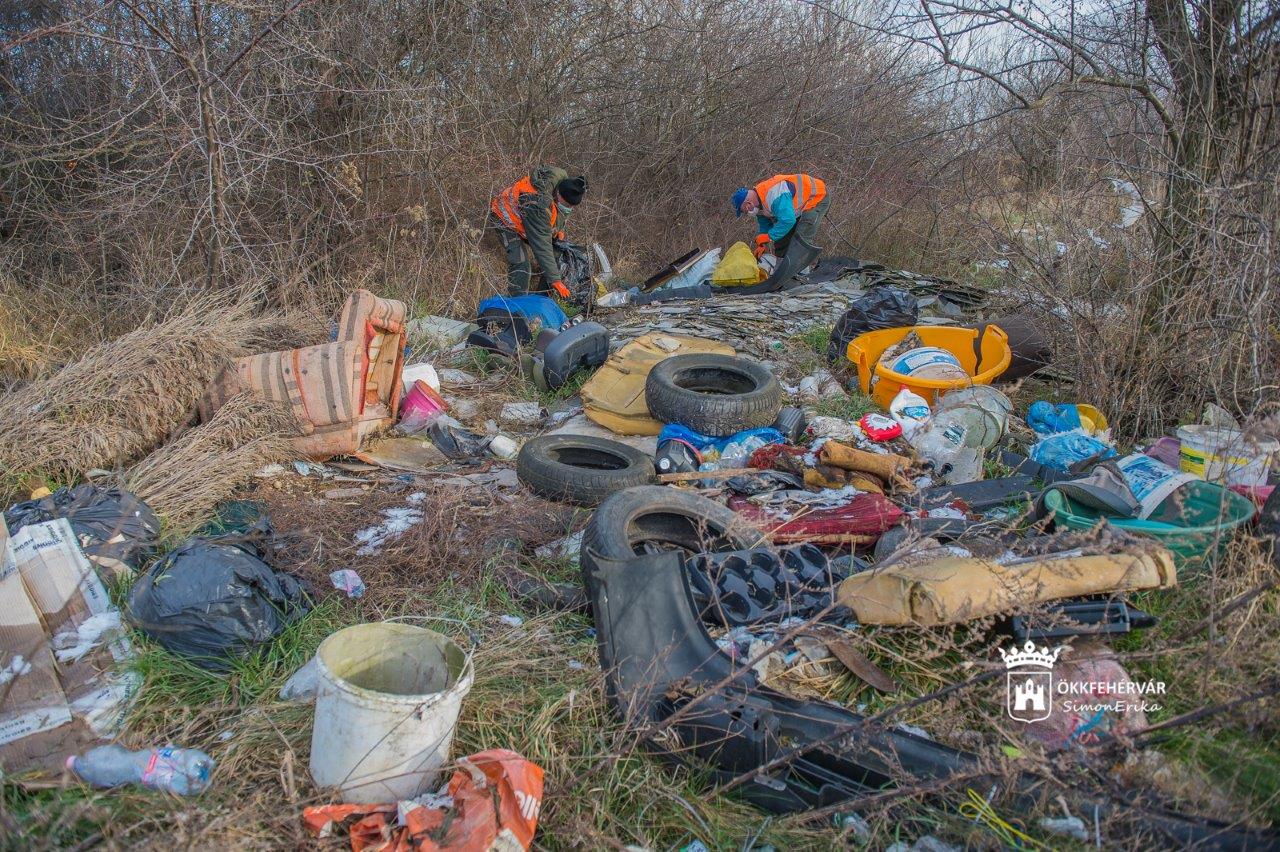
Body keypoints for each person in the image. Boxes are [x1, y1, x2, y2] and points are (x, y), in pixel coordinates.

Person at [488, 166, 587, 298]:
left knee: (558, 252)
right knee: (522, 264)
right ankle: (516, 305)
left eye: (571, 207)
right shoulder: (537, 205)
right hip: (505, 218)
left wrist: (560, 230)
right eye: (567, 205)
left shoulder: (563, 184)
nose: (569, 209)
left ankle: (541, 298)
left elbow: (559, 213)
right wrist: (555, 280)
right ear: (558, 195)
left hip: (527, 220)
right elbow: (541, 245)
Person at [732, 173, 828, 261]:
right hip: (795, 208)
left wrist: (769, 236)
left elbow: (788, 221)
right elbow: (765, 225)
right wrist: (762, 243)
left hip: (817, 196)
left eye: (744, 211)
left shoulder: (775, 196)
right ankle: (782, 269)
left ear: (748, 204)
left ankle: (802, 274)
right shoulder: (758, 204)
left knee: (801, 239)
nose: (747, 213)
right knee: (781, 240)